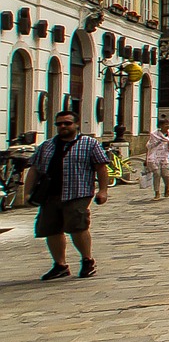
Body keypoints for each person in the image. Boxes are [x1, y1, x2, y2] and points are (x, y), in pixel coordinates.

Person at [22, 110, 109, 280]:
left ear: (76, 124)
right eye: (59, 124)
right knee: (51, 229)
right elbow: (34, 170)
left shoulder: (89, 144)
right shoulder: (47, 145)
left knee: (77, 227)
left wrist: (103, 190)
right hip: (50, 194)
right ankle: (60, 265)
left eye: (67, 123)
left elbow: (101, 167)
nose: (63, 126)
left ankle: (87, 260)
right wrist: (27, 193)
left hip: (77, 193)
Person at [144, 118, 169, 202]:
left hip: (165, 156)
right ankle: (157, 192)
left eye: (168, 124)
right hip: (154, 156)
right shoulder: (154, 134)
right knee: (156, 174)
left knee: (165, 174)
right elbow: (149, 146)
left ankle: (167, 187)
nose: (167, 126)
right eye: (165, 124)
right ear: (160, 126)